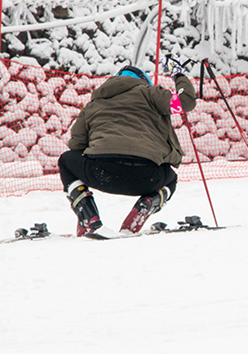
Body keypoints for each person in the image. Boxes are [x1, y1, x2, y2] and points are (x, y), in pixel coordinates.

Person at [58, 56, 197, 236]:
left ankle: (88, 216)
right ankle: (147, 204)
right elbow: (186, 101)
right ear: (143, 81)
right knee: (170, 179)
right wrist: (178, 74)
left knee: (66, 161)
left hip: (102, 172)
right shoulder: (151, 94)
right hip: (146, 176)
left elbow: (76, 144)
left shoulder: (95, 102)